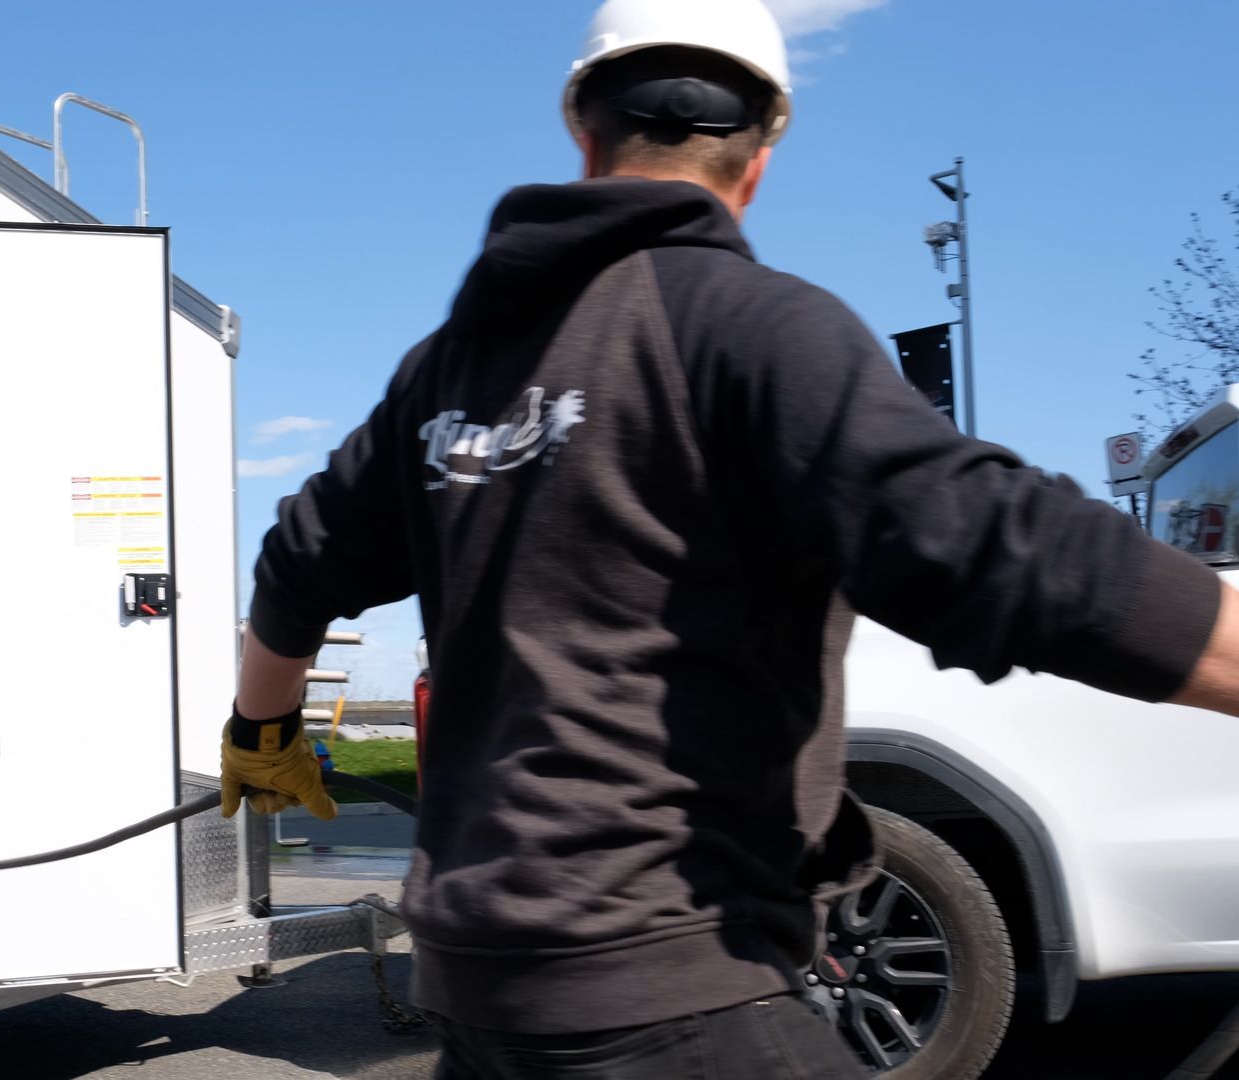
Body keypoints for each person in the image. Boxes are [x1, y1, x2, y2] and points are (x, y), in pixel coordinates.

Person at [217, 0, 1239, 1076]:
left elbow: (297, 561)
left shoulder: (443, 371)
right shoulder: (751, 327)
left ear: (584, 136)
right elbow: (1003, 546)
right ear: (757, 160)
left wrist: (264, 736)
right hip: (671, 983)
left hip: (479, 993)